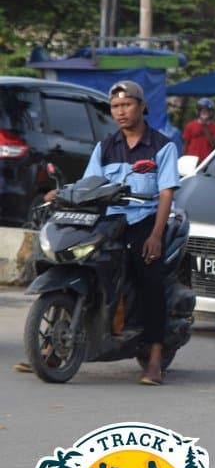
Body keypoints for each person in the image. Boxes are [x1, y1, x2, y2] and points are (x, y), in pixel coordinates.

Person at [13, 81, 181, 384]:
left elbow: (167, 194)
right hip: (106, 221)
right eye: (116, 107)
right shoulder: (106, 147)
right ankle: (51, 346)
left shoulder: (161, 145)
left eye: (127, 105)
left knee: (148, 279)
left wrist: (156, 235)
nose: (121, 111)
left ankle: (154, 357)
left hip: (143, 221)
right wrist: (61, 193)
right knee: (80, 264)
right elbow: (88, 184)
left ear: (142, 107)